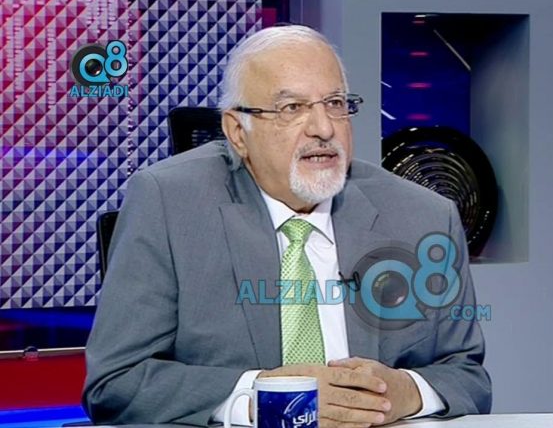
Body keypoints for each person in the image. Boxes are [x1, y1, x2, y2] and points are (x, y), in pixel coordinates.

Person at [83, 25, 491, 427]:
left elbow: (468, 377)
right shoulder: (169, 205)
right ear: (237, 133)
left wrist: (406, 392)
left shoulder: (423, 216)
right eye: (292, 108)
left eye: (335, 103)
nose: (323, 128)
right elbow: (116, 383)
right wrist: (262, 397)